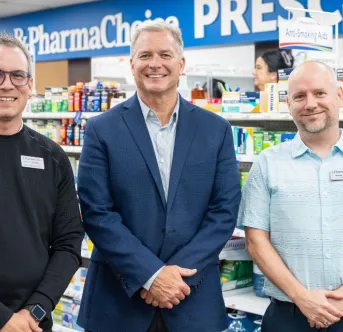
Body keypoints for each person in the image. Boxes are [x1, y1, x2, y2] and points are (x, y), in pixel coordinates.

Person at [77, 20, 241, 332]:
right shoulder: (102, 129)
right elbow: (97, 213)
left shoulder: (215, 130)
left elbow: (223, 211)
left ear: (181, 64)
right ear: (131, 64)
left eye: (165, 55)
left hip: (191, 298)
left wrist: (173, 278)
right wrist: (150, 275)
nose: (155, 64)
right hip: (117, 303)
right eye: (145, 55)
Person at [238, 61, 343, 331]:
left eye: (320, 93)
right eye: (299, 96)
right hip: (289, 316)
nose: (310, 104)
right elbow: (255, 240)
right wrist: (302, 298)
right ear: (288, 104)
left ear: (339, 96)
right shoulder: (267, 163)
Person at [0, 33, 84, 332]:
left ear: (30, 85)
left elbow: (69, 241)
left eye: (18, 75)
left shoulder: (52, 156)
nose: (7, 84)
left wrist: (35, 310)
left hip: (32, 323)